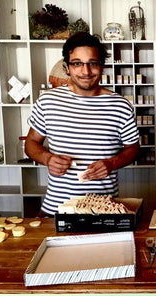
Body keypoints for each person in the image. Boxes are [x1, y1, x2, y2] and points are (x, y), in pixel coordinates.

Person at [25, 32, 140, 216]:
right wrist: (47, 159)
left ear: (102, 66)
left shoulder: (120, 105)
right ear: (67, 67)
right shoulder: (48, 101)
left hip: (103, 210)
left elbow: (133, 149)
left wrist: (111, 164)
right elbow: (30, 143)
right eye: (77, 63)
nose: (86, 72)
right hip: (56, 209)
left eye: (92, 63)